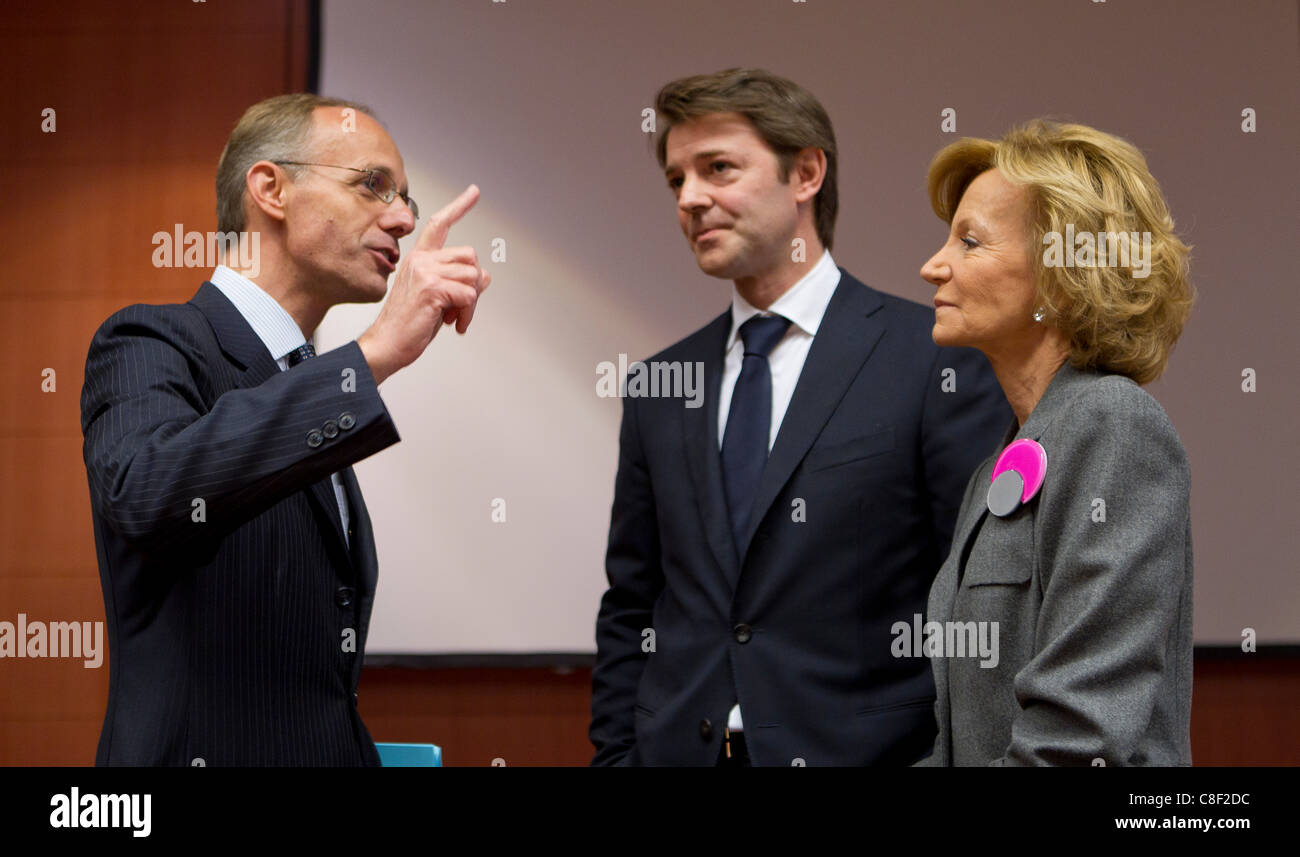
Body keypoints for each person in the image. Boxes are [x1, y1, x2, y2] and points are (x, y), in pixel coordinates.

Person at [589, 68, 1011, 766]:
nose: (691, 198)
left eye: (718, 168)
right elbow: (632, 606)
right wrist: (615, 757)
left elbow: (975, 598)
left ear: (806, 173)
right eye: (676, 181)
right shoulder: (659, 385)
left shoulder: (933, 358)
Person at [80, 93, 490, 765]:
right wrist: (373, 355)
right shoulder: (150, 338)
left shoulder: (305, 377)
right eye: (372, 186)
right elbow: (148, 495)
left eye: (406, 200)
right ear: (270, 188)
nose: (400, 219)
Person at [915, 119, 1195, 766]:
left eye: (970, 241)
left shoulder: (1115, 426)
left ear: (1063, 274)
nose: (933, 265)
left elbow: (1078, 738)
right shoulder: (997, 465)